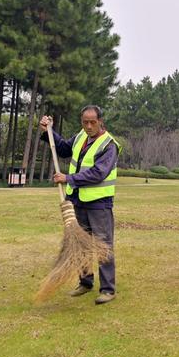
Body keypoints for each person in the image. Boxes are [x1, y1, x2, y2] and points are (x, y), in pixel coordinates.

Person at [39, 105, 121, 305]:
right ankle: (85, 282)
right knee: (80, 244)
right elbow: (64, 149)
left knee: (103, 246)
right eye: (85, 122)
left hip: (99, 204)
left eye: (93, 122)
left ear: (100, 121)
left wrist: (67, 178)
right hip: (78, 201)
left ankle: (108, 289)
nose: (89, 126)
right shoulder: (80, 137)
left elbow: (98, 173)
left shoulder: (109, 145)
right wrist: (49, 131)